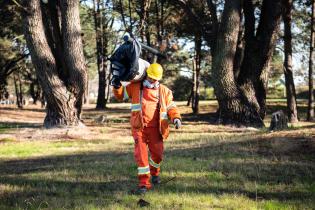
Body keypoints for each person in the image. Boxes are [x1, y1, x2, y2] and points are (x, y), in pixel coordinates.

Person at [112, 63, 182, 194]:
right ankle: (144, 184)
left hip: (157, 130)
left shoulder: (164, 91)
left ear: (159, 78)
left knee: (158, 155)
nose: (153, 80)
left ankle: (155, 174)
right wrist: (117, 85)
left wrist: (176, 118)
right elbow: (121, 96)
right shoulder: (135, 87)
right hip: (139, 128)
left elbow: (172, 107)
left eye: (155, 79)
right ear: (146, 75)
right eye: (151, 77)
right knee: (141, 156)